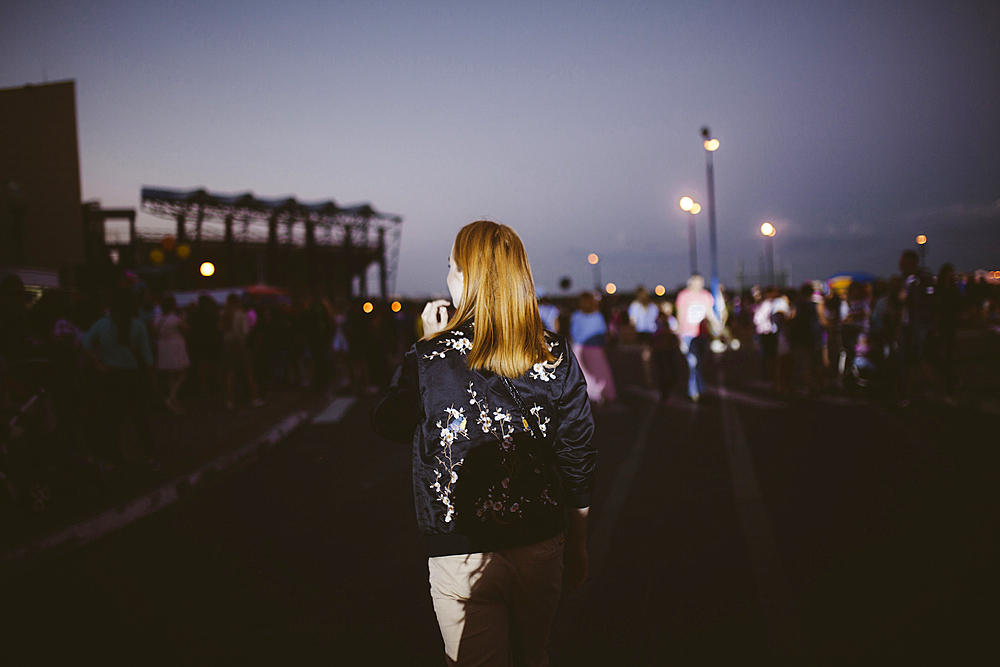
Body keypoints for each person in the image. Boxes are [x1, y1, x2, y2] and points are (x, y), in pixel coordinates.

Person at [372, 220, 596, 666]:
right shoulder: (551, 352)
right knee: (534, 657)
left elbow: (390, 423)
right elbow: (577, 452)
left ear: (469, 277)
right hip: (540, 540)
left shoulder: (430, 355)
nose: (447, 279)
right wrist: (578, 542)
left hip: (462, 550)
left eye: (452, 267)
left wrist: (427, 346)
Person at [83, 287, 158, 470]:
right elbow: (147, 358)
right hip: (132, 376)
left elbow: (86, 344)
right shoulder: (137, 325)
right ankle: (150, 458)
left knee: (113, 420)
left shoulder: (102, 324)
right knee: (140, 419)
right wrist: (154, 382)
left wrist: (98, 364)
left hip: (110, 376)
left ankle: (112, 460)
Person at [674, 274, 719, 402]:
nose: (699, 284)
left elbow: (709, 313)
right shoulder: (683, 296)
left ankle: (700, 387)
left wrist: (717, 327)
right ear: (691, 282)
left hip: (702, 334)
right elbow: (680, 314)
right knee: (692, 363)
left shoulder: (706, 295)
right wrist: (680, 334)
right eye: (697, 281)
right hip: (688, 334)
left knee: (699, 362)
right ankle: (694, 391)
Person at [569, 290, 618, 406]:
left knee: (583, 373)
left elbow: (573, 333)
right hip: (595, 347)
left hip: (579, 347)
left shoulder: (576, 316)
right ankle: (602, 394)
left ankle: (588, 395)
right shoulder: (597, 315)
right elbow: (602, 332)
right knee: (600, 372)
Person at [221, 293, 263, 409]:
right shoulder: (240, 314)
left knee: (229, 374)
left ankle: (229, 401)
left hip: (228, 346)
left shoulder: (224, 314)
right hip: (240, 345)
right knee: (248, 372)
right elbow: (245, 331)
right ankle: (255, 398)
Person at [154, 295, 190, 414]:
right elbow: (186, 330)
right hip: (176, 347)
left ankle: (173, 399)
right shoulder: (175, 319)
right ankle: (171, 398)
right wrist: (184, 318)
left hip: (163, 347)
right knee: (181, 374)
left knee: (170, 374)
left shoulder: (157, 319)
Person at [628, 286, 659, 387]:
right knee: (651, 354)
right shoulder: (653, 306)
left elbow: (632, 321)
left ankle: (648, 377)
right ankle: (651, 375)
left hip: (642, 332)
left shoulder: (634, 306)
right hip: (653, 332)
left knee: (646, 356)